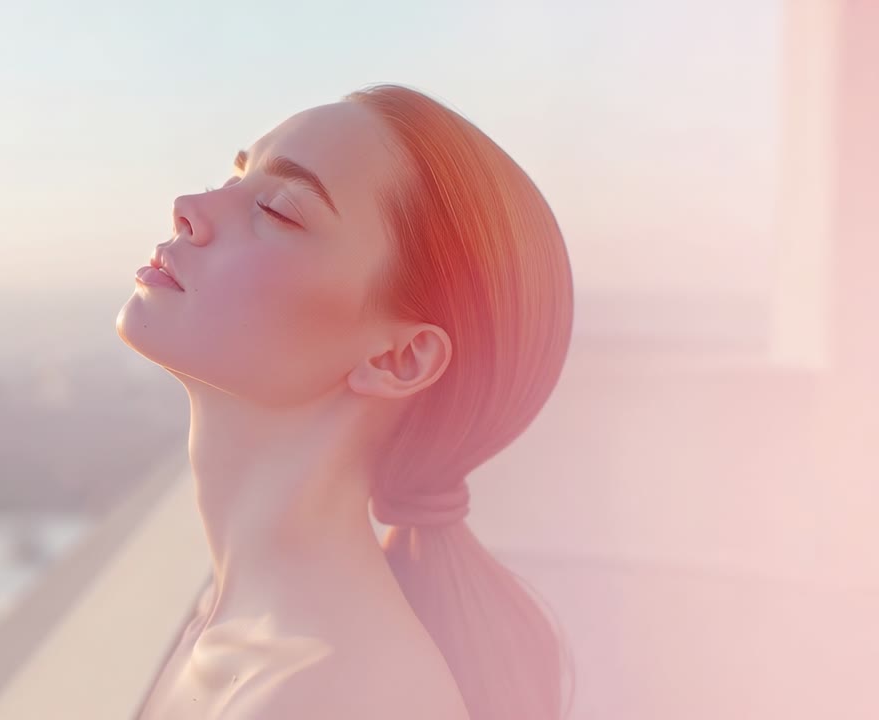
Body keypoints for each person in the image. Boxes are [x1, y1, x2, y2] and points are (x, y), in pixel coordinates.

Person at [117, 82, 576, 720]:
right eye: (233, 176)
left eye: (278, 209)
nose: (189, 207)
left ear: (398, 358)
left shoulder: (336, 696)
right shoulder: (226, 627)